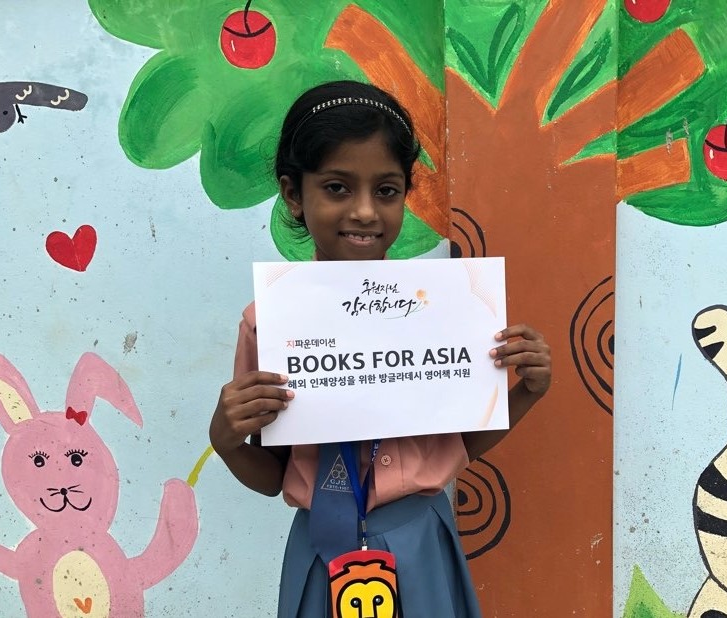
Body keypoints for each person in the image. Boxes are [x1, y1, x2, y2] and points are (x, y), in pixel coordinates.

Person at [209, 80, 552, 617]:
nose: (366, 212)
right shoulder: (270, 323)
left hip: (422, 547)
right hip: (322, 556)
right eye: (337, 188)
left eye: (387, 191)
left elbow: (460, 445)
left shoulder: (442, 310)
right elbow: (274, 475)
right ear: (294, 194)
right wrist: (226, 441)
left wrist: (525, 391)